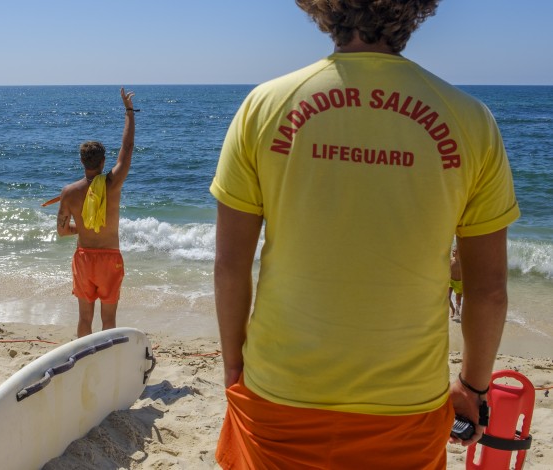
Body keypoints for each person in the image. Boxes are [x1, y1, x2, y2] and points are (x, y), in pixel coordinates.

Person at [210, 1, 519, 468]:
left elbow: (230, 266)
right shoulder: (470, 120)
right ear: (416, 10)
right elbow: (488, 289)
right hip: (408, 403)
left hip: (279, 391)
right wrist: (473, 386)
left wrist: (235, 366)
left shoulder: (264, 105)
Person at [56, 88, 136, 337]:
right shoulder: (112, 183)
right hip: (109, 259)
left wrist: (82, 226)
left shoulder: (68, 192)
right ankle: (106, 359)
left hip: (84, 258)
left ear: (82, 162)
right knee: (109, 319)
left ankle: (85, 359)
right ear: (103, 162)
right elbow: (128, 147)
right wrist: (129, 111)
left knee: (84, 317)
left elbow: (61, 231)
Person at [449, 246, 464, 320]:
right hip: (451, 281)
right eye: (453, 251)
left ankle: (457, 312)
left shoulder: (463, 262)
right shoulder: (451, 260)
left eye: (455, 251)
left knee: (458, 299)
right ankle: (453, 309)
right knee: (447, 297)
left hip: (460, 283)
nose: (453, 253)